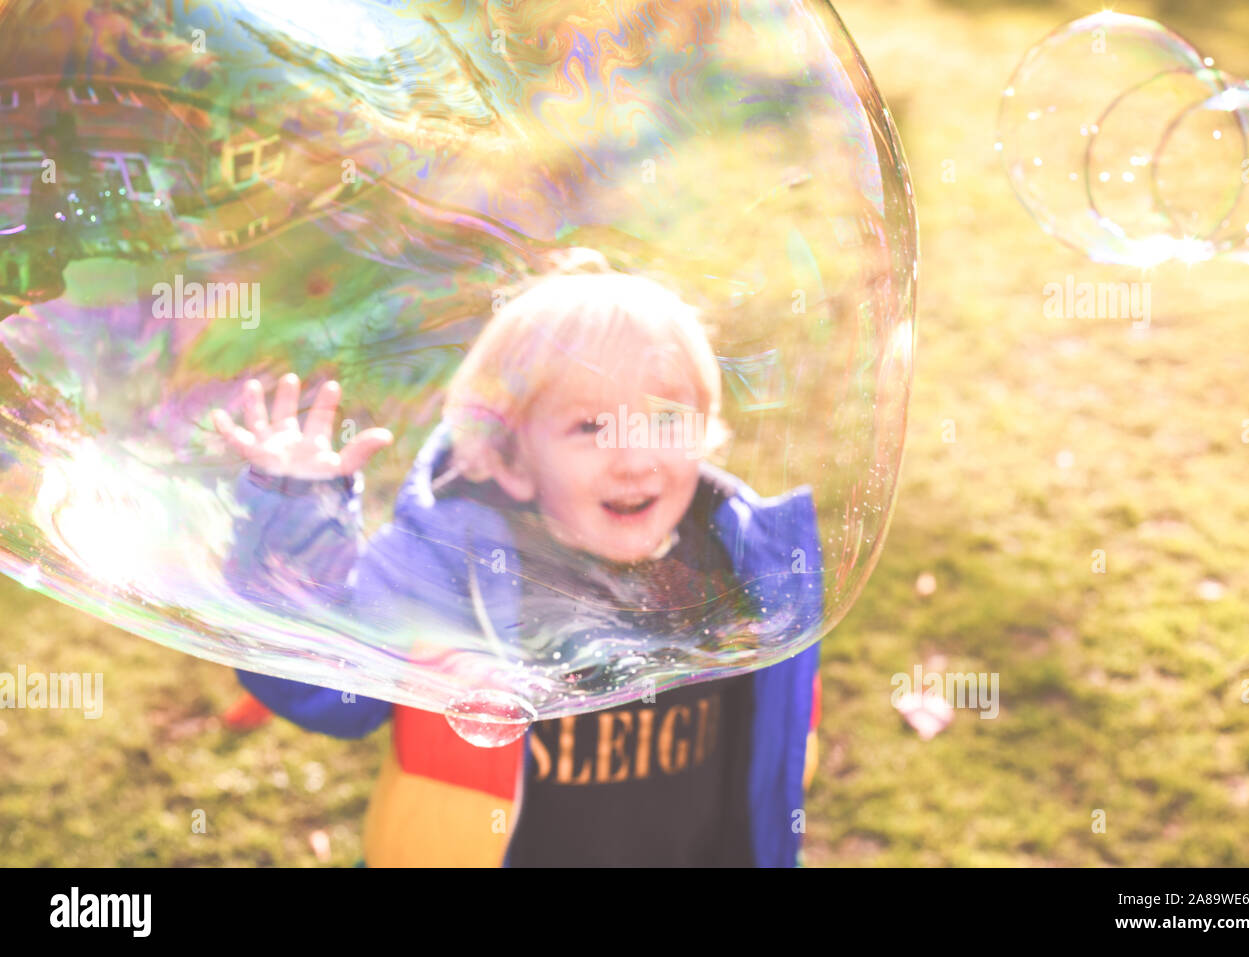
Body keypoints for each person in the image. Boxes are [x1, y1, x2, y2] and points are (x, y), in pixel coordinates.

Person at [212, 249, 823, 866]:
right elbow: (316, 679)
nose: (635, 458)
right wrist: (294, 514)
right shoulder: (450, 566)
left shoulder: (742, 558)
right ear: (509, 456)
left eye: (666, 421)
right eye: (589, 426)